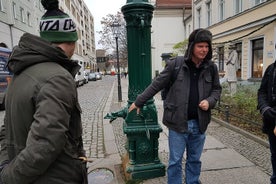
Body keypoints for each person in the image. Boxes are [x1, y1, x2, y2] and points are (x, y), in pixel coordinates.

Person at [0, 0, 88, 183]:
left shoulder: (21, 72)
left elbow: (6, 128)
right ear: (71, 41)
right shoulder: (58, 77)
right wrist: (7, 177)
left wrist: (5, 164)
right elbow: (44, 145)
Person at [128, 28, 222, 184]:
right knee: (175, 162)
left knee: (194, 160)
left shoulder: (211, 67)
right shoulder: (176, 64)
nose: (204, 50)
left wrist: (210, 101)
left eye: (207, 46)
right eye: (200, 46)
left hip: (200, 123)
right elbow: (156, 85)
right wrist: (139, 101)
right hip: (177, 123)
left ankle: (192, 181)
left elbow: (217, 89)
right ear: (192, 46)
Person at [257, 55, 276, 184]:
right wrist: (265, 108)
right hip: (272, 120)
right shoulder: (271, 69)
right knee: (275, 156)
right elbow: (262, 91)